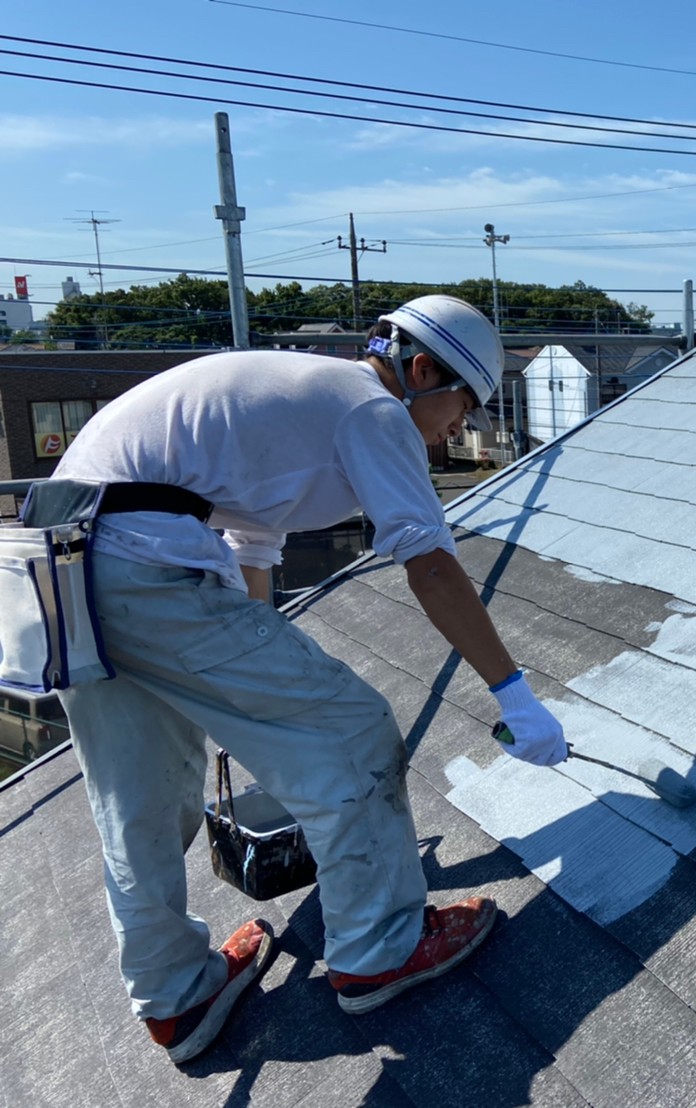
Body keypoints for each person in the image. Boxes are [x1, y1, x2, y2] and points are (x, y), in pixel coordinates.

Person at [46, 294, 567, 1065]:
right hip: (141, 559)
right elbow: (429, 562)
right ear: (421, 370)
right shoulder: (371, 409)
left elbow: (253, 551)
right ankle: (383, 948)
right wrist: (514, 695)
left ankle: (174, 998)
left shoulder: (298, 408)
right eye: (464, 404)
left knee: (140, 794)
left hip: (60, 571)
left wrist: (249, 710)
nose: (461, 426)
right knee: (351, 729)